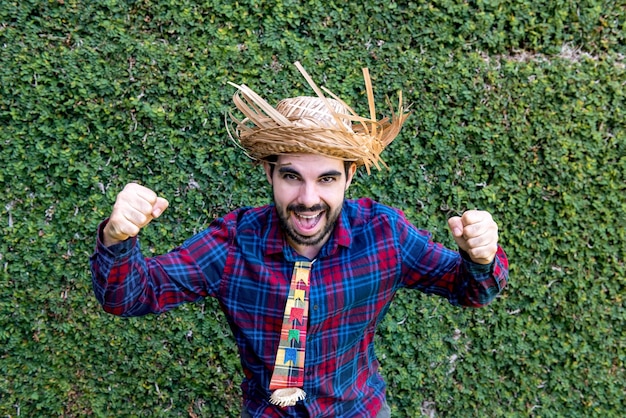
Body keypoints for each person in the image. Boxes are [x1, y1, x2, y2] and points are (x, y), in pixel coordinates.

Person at [90, 62, 509, 417]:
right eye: (291, 176)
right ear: (269, 173)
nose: (308, 199)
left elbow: (470, 289)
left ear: (349, 177)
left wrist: (482, 256)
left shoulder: (384, 234)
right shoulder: (234, 244)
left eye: (326, 178)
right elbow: (129, 297)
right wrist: (118, 237)